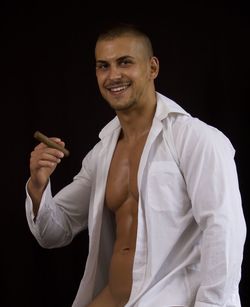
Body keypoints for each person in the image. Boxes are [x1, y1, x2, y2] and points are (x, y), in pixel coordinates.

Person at [25, 23, 246, 307]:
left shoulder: (196, 139)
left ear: (152, 68)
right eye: (103, 66)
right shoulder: (102, 153)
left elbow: (223, 229)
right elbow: (54, 232)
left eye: (124, 62)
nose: (113, 75)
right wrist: (38, 185)